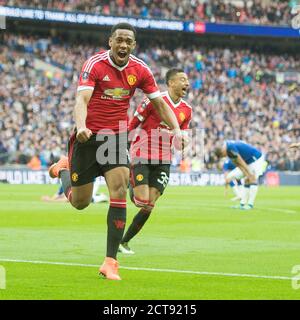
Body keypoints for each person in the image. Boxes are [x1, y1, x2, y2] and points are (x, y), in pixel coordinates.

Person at [48, 23, 181, 280]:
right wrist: (81, 125)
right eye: (118, 40)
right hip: (88, 137)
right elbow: (81, 100)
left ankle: (110, 261)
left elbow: (160, 104)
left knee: (119, 190)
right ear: (110, 41)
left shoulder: (140, 69)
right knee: (80, 202)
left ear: (133, 45)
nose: (123, 45)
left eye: (128, 42)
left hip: (115, 138)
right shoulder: (94, 64)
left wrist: (178, 129)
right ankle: (64, 168)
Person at [119, 68, 192, 254]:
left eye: (187, 80)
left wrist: (183, 142)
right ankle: (131, 184)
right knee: (140, 201)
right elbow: (133, 123)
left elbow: (179, 140)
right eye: (182, 79)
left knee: (149, 205)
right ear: (171, 83)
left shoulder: (187, 110)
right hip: (142, 153)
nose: (187, 83)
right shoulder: (153, 99)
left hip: (164, 160)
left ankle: (124, 242)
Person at [215, 140, 266, 210]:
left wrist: (248, 173)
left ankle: (250, 204)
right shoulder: (228, 150)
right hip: (248, 160)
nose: (224, 156)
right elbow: (237, 164)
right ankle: (243, 204)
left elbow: (240, 161)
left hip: (256, 159)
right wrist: (246, 173)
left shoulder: (230, 148)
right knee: (247, 179)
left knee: (252, 179)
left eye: (222, 155)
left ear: (222, 150)